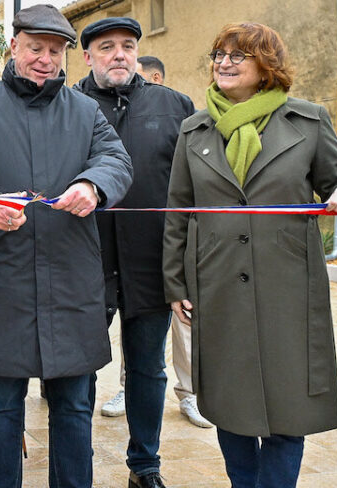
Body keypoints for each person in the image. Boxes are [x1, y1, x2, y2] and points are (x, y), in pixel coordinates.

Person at [0, 3, 133, 488]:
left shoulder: (86, 111)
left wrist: (93, 185)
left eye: (55, 51)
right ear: (14, 47)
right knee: (0, 406)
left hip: (71, 283)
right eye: (35, 49)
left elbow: (117, 161)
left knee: (73, 405)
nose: (45, 59)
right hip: (3, 282)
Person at [162, 22, 337, 488]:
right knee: (229, 404)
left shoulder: (308, 121)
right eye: (218, 54)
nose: (224, 63)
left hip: (288, 287)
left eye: (239, 55)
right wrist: (175, 283)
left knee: (287, 405)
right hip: (215, 285)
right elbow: (177, 211)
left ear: (266, 66)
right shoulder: (194, 131)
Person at [73, 18, 195, 488]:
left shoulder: (174, 106)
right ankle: (74, 455)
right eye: (107, 47)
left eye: (128, 46)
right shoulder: (69, 104)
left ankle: (144, 465)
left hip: (151, 262)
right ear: (88, 57)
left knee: (148, 369)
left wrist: (183, 265)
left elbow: (189, 189)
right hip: (87, 262)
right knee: (79, 369)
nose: (119, 54)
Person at [134, 55, 211, 430]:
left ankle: (190, 393)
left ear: (155, 77)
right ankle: (124, 389)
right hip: (140, 247)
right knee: (141, 346)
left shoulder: (179, 111)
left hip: (178, 243)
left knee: (185, 323)